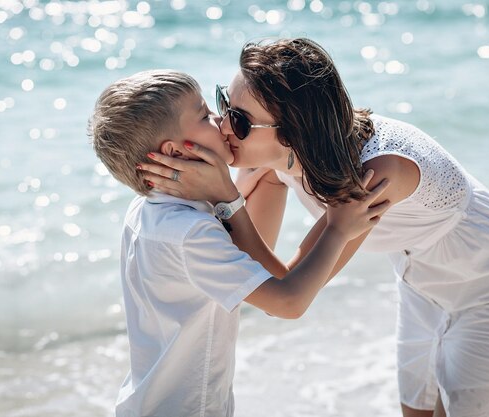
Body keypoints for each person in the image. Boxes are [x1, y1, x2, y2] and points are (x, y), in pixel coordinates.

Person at [137, 39, 489, 417]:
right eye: (223, 105)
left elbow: (289, 287)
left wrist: (229, 198)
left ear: (293, 132)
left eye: (241, 122)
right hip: (421, 285)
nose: (224, 127)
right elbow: (257, 264)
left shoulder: (377, 174)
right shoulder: (273, 162)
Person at [87, 69, 391, 417]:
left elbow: (243, 244)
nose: (220, 121)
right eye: (204, 115)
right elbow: (288, 302)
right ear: (176, 152)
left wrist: (247, 181)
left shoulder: (148, 211)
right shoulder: (191, 234)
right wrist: (338, 229)